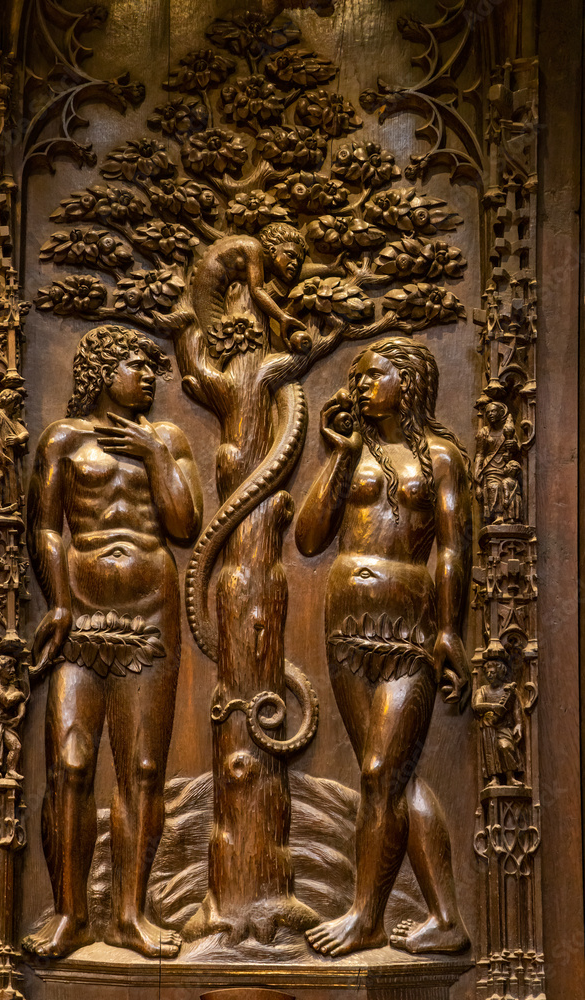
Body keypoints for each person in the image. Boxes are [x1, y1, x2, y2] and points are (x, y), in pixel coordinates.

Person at [22, 325, 202, 959]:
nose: (148, 376)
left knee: (143, 770)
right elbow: (44, 528)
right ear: (101, 370)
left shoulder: (168, 440)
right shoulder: (64, 440)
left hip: (150, 613)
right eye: (135, 364)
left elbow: (186, 524)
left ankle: (129, 912)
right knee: (70, 766)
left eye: (154, 367)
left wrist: (154, 457)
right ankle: (71, 913)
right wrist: (61, 600)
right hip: (83, 614)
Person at [295, 336, 471, 956]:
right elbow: (311, 537)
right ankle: (446, 918)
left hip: (409, 626)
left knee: (378, 773)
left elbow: (453, 545)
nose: (362, 385)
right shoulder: (354, 454)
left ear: (412, 380)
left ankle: (365, 915)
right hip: (347, 626)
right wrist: (339, 456)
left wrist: (449, 628)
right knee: (391, 774)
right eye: (358, 376)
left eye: (376, 374)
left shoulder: (441, 459)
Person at [190, 221, 345, 352]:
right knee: (223, 347)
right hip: (206, 305)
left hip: (216, 306)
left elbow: (294, 275)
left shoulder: (266, 261)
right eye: (291, 255)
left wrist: (330, 269)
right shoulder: (253, 248)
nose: (295, 264)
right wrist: (281, 317)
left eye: (298, 261)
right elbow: (257, 290)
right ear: (272, 250)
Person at [472, 655, 524, 787]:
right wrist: (494, 707)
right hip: (488, 726)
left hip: (504, 727)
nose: (490, 675)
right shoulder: (482, 691)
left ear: (500, 672)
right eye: (487, 673)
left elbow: (516, 709)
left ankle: (510, 777)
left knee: (505, 746)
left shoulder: (509, 690)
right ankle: (494, 779)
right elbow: (477, 706)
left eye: (493, 672)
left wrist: (518, 724)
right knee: (490, 753)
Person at [0, 388, 29, 512]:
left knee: (8, 481)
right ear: (7, 401)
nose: (18, 407)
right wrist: (1, 455)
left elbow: (25, 434)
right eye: (15, 403)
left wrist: (18, 439)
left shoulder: (14, 422)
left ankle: (8, 503)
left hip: (10, 458)